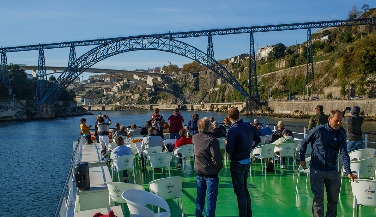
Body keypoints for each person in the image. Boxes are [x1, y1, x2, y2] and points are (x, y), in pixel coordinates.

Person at [299, 110, 358, 217]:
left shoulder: (341, 133)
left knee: (333, 200)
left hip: (332, 170)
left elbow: (344, 153)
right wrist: (302, 158)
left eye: (341, 121)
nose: (339, 123)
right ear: (329, 119)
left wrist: (348, 171)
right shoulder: (318, 130)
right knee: (318, 198)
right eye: (336, 121)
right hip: (317, 169)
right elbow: (304, 142)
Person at [226, 107, 261, 217]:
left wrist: (227, 143)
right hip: (246, 161)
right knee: (245, 189)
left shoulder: (233, 130)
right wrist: (250, 148)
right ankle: (248, 214)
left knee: (240, 191)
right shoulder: (248, 125)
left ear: (229, 117)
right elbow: (258, 139)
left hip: (237, 162)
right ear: (239, 115)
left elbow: (229, 150)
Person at [193, 117, 223, 217]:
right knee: (211, 198)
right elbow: (216, 158)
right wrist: (219, 167)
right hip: (211, 173)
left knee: (200, 196)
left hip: (199, 171)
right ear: (210, 127)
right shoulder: (212, 140)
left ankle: (198, 214)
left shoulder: (195, 138)